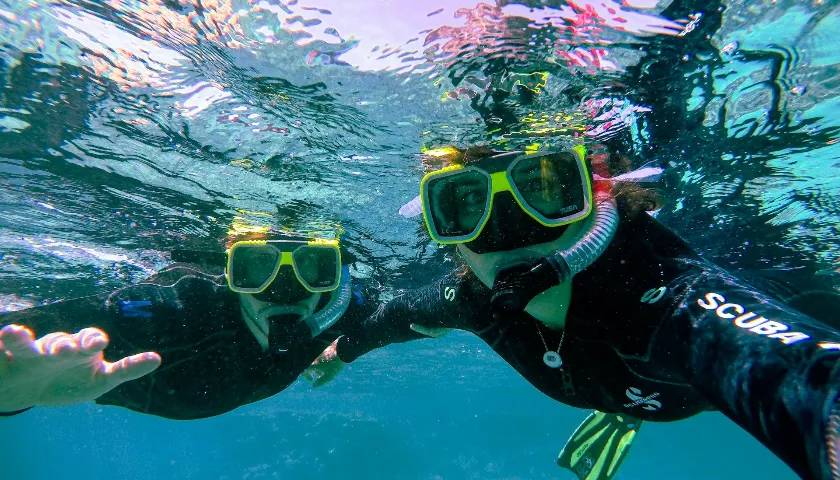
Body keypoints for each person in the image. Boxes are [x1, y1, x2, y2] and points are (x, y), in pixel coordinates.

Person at [325, 145, 840, 480]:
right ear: (448, 237)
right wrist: (340, 351)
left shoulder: (674, 301)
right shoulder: (472, 299)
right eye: (464, 206)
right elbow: (389, 318)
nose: (508, 232)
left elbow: (802, 378)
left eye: (546, 189)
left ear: (599, 197)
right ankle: (624, 405)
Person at [0, 224, 361, 420]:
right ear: (230, 272)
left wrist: (348, 348)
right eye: (256, 267)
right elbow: (23, 340)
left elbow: (402, 312)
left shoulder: (343, 306)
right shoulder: (174, 309)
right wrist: (13, 396)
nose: (284, 292)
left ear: (333, 273)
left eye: (313, 266)